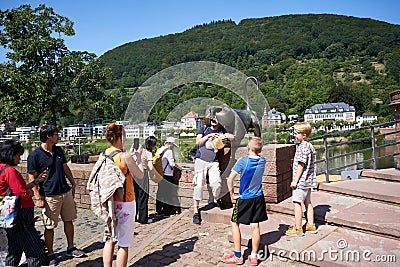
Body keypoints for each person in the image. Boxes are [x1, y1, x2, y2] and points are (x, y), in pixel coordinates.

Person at [27, 125, 85, 265]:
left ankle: (71, 247)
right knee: (50, 226)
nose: (58, 136)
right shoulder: (34, 155)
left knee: (69, 220)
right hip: (49, 195)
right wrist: (38, 197)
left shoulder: (58, 150)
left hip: (64, 192)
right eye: (56, 134)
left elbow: (65, 167)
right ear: (48, 136)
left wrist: (73, 182)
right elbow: (31, 178)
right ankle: (51, 254)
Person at [101, 123, 144, 267]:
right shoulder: (125, 156)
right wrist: (138, 158)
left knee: (110, 239)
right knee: (123, 244)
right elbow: (140, 174)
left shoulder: (105, 154)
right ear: (120, 137)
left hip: (110, 202)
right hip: (125, 201)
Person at [0, 140, 47, 267]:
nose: (19, 158)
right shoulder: (10, 171)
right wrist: (32, 194)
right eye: (18, 155)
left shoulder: (1, 169)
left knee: (14, 250)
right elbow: (22, 194)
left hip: (8, 216)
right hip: (21, 214)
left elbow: (11, 191)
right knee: (36, 251)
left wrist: (35, 182)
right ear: (11, 154)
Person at [221, 137, 267, 266]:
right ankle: (254, 256)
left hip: (245, 198)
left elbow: (230, 179)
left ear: (248, 147)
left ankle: (237, 255)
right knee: (255, 225)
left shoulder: (243, 161)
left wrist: (232, 195)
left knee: (234, 222)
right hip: (258, 197)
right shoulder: (263, 160)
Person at [192, 117, 234, 225]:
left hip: (214, 161)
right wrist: (208, 136)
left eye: (217, 118)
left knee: (217, 183)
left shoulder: (222, 131)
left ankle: (215, 200)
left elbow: (230, 138)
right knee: (198, 185)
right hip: (200, 160)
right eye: (213, 117)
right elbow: (198, 142)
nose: (214, 119)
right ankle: (196, 211)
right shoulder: (204, 128)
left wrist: (225, 137)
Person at [285, 122, 318, 236]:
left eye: (297, 133)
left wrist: (295, 181)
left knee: (297, 202)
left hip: (301, 181)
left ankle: (298, 228)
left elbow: (301, 165)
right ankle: (311, 225)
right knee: (308, 202)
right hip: (309, 180)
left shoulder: (302, 147)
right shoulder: (309, 146)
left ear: (304, 135)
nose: (295, 135)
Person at [134, 136, 157, 224]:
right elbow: (150, 167)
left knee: (135, 196)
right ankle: (143, 219)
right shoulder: (148, 153)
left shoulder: (139, 150)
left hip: (134, 173)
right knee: (143, 197)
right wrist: (155, 173)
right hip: (142, 174)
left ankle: (133, 217)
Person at [155, 137, 180, 216]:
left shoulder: (159, 149)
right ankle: (167, 211)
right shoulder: (168, 151)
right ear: (171, 144)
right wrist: (179, 167)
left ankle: (158, 210)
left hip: (160, 173)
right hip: (167, 174)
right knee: (168, 193)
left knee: (160, 193)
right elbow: (172, 164)